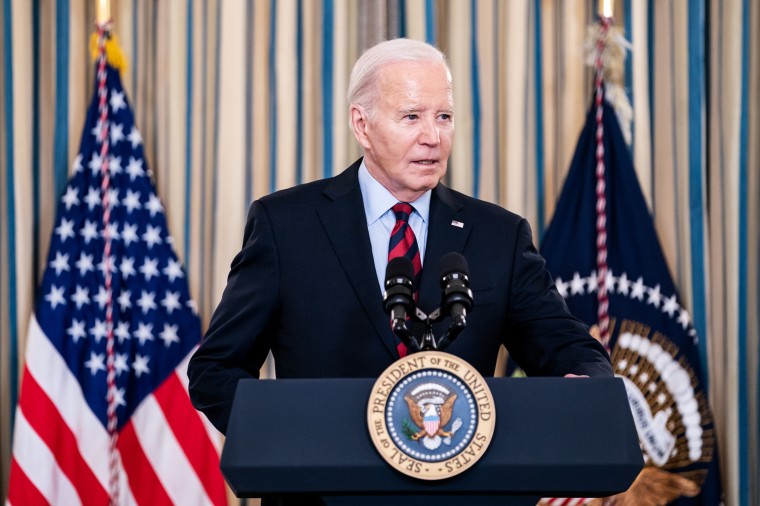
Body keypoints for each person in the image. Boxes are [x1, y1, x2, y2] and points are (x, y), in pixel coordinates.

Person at [187, 38, 612, 437]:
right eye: (411, 116)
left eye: (443, 117)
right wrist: (290, 446)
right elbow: (217, 369)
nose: (433, 136)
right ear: (362, 125)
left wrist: (583, 380)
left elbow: (567, 347)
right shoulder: (285, 225)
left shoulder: (499, 235)